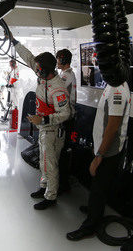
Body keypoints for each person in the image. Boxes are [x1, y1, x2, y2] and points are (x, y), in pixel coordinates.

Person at [8, 32, 71, 210]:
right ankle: (44, 187)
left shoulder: (57, 89)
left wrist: (42, 119)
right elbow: (29, 57)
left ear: (45, 70)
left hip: (53, 130)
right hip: (44, 128)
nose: (35, 69)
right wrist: (15, 42)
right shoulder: (43, 73)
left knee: (50, 164)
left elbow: (65, 113)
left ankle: (51, 197)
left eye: (38, 69)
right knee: (44, 161)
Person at [67, 82, 131, 241]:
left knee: (98, 189)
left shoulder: (117, 89)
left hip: (109, 151)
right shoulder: (113, 84)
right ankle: (93, 210)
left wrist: (99, 155)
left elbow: (113, 126)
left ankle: (90, 227)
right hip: (103, 147)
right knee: (97, 185)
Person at [56, 48, 77, 192]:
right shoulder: (66, 74)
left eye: (58, 59)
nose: (56, 62)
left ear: (63, 60)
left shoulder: (66, 76)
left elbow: (56, 90)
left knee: (62, 152)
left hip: (66, 118)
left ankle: (63, 184)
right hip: (67, 117)